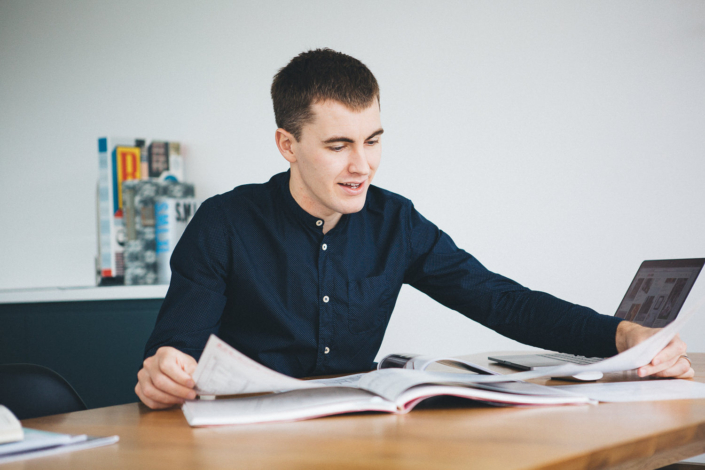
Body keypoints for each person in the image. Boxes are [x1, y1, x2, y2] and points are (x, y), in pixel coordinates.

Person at [135, 48, 693, 410]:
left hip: (356, 441)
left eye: (373, 140)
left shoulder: (394, 221)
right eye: (338, 145)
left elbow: (502, 301)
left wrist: (622, 336)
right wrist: (166, 371)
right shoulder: (224, 223)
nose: (363, 166)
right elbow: (175, 349)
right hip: (240, 449)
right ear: (288, 145)